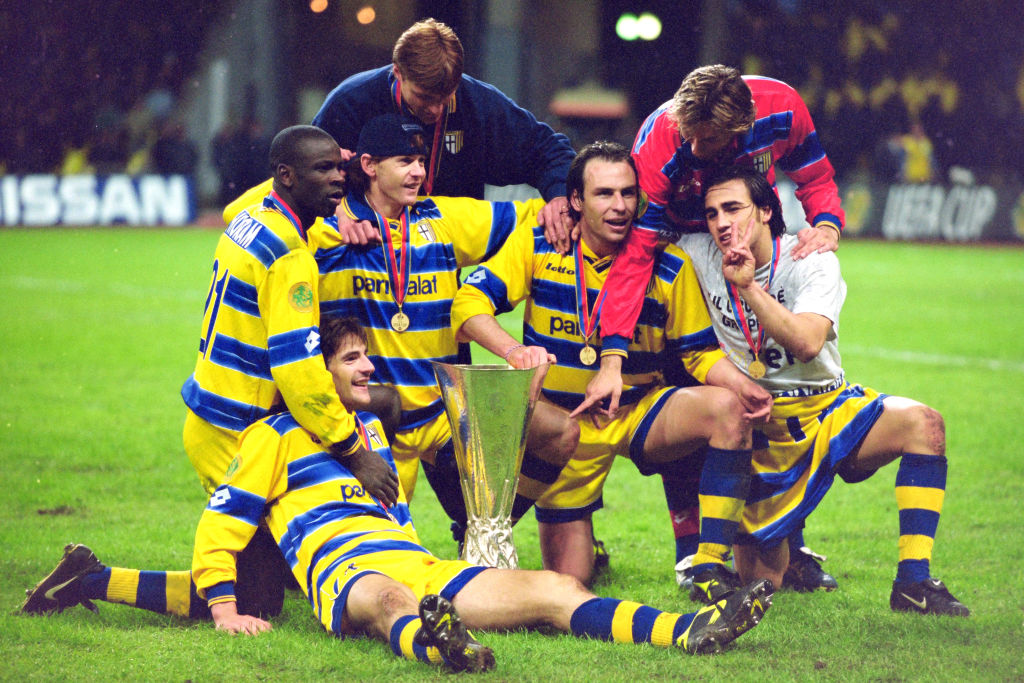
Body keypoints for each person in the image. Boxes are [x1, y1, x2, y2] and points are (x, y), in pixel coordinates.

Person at [20, 317, 775, 672]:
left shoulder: (374, 436)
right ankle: (442, 647)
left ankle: (690, 632)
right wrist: (222, 608)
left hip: (423, 567)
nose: (365, 370)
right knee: (380, 601)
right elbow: (220, 528)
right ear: (317, 370)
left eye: (365, 359)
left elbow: (419, 475)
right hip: (346, 577)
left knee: (554, 585)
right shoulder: (273, 436)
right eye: (352, 360)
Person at [450, 141, 772, 594]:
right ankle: (535, 540)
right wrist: (512, 351)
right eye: (604, 194)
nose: (620, 206)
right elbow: (467, 305)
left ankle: (710, 564)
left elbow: (698, 354)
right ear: (576, 201)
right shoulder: (540, 245)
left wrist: (744, 386)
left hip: (639, 411)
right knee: (570, 580)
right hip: (566, 426)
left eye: (627, 193)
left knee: (727, 409)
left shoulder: (669, 265)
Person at [593, 64, 847, 591]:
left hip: (751, 250)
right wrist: (614, 352)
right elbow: (639, 254)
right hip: (686, 258)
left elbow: (815, 175)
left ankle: (788, 544)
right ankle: (694, 555)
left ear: (741, 130)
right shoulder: (660, 145)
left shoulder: (781, 107)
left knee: (773, 393)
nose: (694, 145)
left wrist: (826, 221)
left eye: (705, 140)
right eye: (689, 134)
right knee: (695, 401)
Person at [679, 165, 968, 616]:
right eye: (712, 212)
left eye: (733, 208)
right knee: (760, 584)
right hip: (761, 428)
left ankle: (913, 584)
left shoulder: (809, 259)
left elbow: (808, 342)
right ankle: (787, 555)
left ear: (766, 210)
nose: (721, 222)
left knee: (924, 425)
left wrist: (749, 288)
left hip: (830, 406)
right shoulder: (696, 251)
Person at [313, 113, 577, 542]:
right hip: (375, 420)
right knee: (376, 560)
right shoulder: (326, 228)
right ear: (368, 166)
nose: (418, 171)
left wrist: (562, 199)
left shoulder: (442, 218)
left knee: (561, 432)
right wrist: (339, 207)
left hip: (445, 416)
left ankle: (488, 530)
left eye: (420, 160)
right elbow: (243, 212)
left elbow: (541, 215)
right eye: (404, 161)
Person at [182, 124, 398, 615]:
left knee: (275, 579)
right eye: (323, 170)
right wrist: (351, 450)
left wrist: (319, 204)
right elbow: (298, 368)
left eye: (339, 168)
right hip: (237, 431)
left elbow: (253, 208)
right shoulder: (290, 258)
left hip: (211, 412)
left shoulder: (250, 218)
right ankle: (98, 580)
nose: (339, 181)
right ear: (285, 177)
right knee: (258, 599)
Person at [225, 18, 577, 245]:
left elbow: (550, 149)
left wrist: (560, 194)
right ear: (398, 72)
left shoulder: (476, 102)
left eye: (446, 97)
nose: (437, 110)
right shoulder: (352, 101)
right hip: (359, 256)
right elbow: (306, 176)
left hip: (438, 261)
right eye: (425, 97)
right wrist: (339, 212)